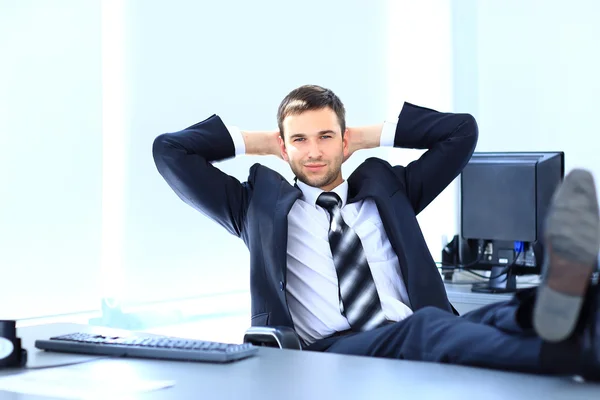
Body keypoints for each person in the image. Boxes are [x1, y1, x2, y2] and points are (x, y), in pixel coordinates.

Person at [152, 84, 600, 379]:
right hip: (332, 355)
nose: (313, 152)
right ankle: (572, 356)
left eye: (326, 137)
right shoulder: (257, 208)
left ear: (345, 142)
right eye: (299, 140)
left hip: (417, 331)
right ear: (283, 147)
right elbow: (170, 151)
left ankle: (579, 321)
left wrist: (368, 136)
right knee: (426, 328)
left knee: (496, 315)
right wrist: (260, 142)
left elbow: (461, 132)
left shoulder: (390, 191)